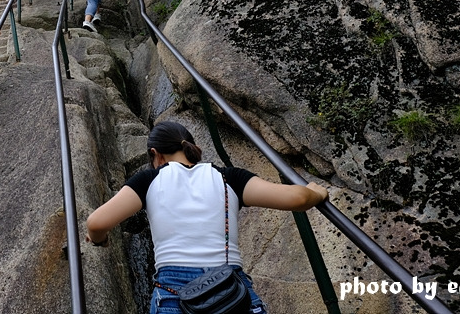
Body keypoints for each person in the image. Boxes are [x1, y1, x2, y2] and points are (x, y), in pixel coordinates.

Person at [86, 121, 329, 314]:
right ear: (190, 147)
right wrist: (316, 193)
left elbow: (96, 223)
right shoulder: (229, 178)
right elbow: (298, 199)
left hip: (174, 293)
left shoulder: (149, 180)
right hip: (230, 290)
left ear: (155, 154)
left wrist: (100, 240)